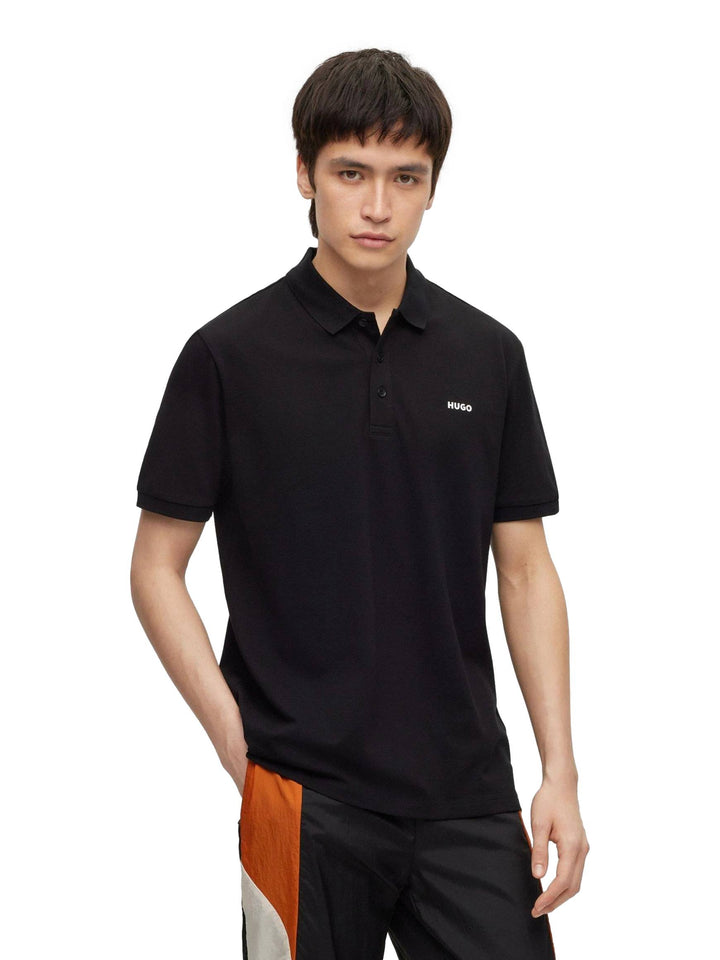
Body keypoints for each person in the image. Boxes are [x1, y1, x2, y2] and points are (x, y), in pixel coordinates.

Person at [130, 47, 588, 960]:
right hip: (302, 792)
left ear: (432, 187)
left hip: (467, 790)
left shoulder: (488, 355)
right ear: (305, 174)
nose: (378, 206)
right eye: (351, 173)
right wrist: (239, 751)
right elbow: (155, 567)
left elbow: (526, 572)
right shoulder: (228, 356)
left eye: (404, 178)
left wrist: (560, 773)